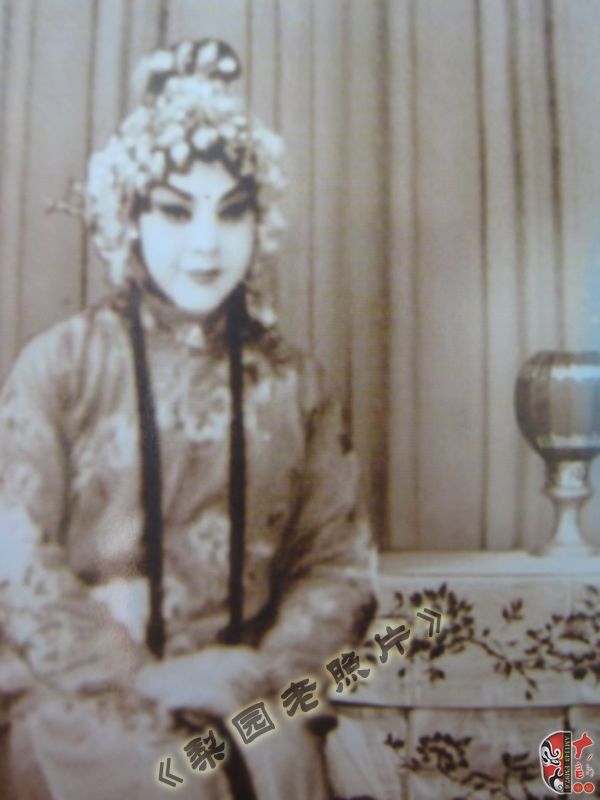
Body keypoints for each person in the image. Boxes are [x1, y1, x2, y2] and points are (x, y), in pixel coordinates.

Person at [0, 38, 377, 800]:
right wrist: (142, 675)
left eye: (231, 213)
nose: (206, 243)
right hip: (81, 693)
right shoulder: (62, 366)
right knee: (169, 781)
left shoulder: (296, 385)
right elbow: (15, 555)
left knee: (286, 760)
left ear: (259, 223)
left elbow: (335, 564)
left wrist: (268, 677)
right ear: (130, 218)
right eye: (176, 211)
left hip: (250, 686)